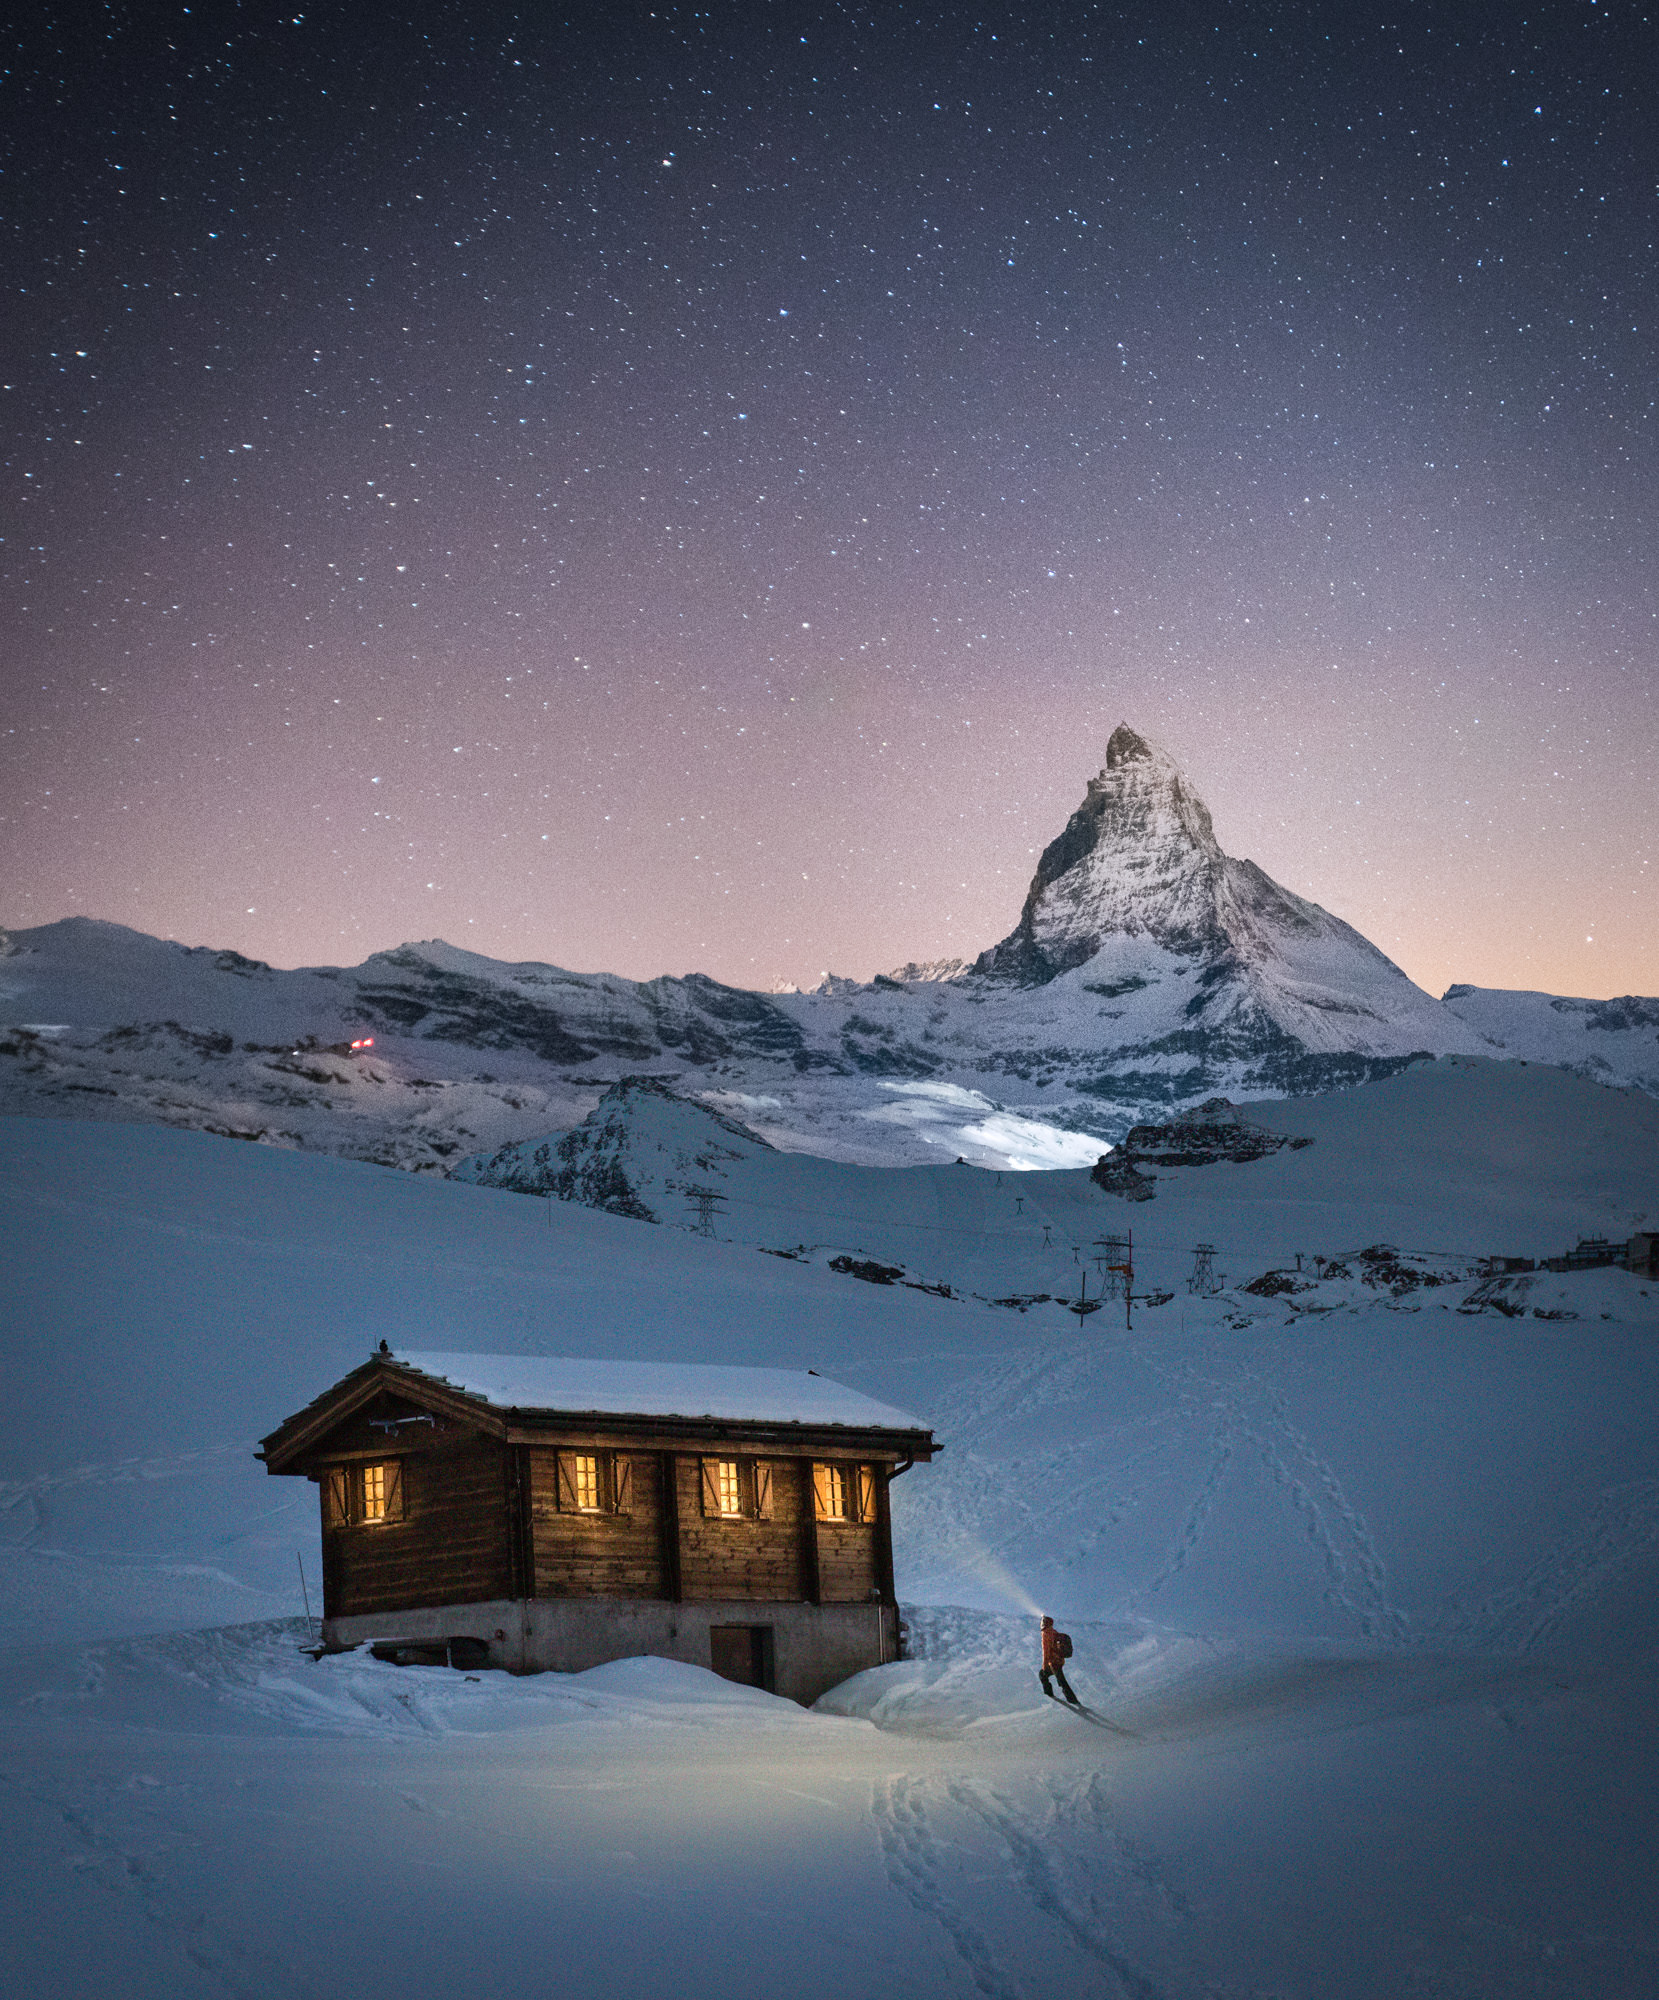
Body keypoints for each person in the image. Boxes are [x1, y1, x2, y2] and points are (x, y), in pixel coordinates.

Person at [1039, 1614, 1079, 1705]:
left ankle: (1071, 1700)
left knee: (1058, 1679)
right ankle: (1071, 1699)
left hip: (1053, 1662)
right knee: (1055, 1678)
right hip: (1059, 1661)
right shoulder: (1053, 1632)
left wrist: (1044, 1666)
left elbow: (1046, 1652)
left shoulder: (1046, 1634)